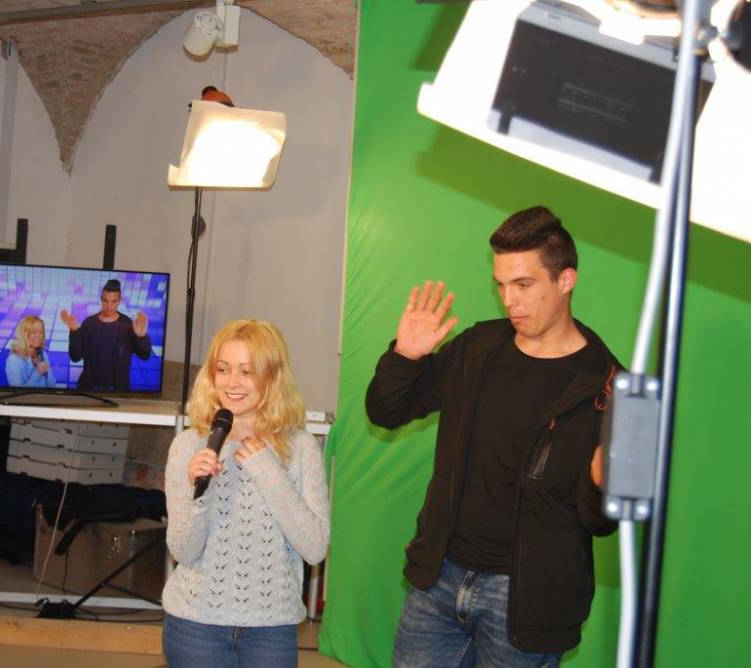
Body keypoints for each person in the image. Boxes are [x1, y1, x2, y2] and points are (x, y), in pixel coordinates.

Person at [366, 207, 620, 666]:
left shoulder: (606, 386)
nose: (509, 300)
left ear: (566, 280)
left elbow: (599, 522)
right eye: (501, 285)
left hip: (527, 599)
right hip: (439, 578)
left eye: (523, 285)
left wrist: (603, 484)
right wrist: (405, 356)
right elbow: (387, 411)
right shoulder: (477, 348)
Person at [161, 319, 330, 668]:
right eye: (223, 369)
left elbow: (315, 549)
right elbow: (183, 551)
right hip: (195, 624)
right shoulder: (189, 445)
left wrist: (268, 471)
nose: (232, 382)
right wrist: (199, 493)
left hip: (272, 630)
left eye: (247, 371)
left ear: (272, 376)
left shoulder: (301, 447)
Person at [59, 278, 152, 391]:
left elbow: (144, 355)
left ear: (119, 301)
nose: (109, 306)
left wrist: (141, 337)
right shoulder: (89, 323)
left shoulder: (128, 325)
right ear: (101, 299)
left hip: (118, 392)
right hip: (89, 389)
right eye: (105, 300)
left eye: (113, 301)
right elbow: (75, 357)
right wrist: (74, 331)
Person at [5, 315, 56, 388]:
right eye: (34, 332)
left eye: (41, 332)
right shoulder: (13, 359)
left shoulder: (43, 354)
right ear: (24, 335)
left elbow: (52, 384)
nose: (39, 336)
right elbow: (17, 391)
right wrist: (37, 374)